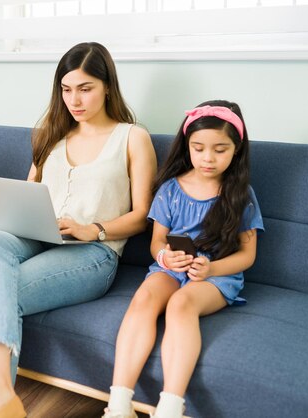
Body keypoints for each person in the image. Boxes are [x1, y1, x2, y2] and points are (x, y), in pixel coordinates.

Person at [0, 42, 157, 418]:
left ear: (107, 86)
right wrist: (10, 216)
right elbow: (26, 194)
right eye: (66, 89)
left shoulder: (132, 137)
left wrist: (94, 229)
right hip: (36, 236)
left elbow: (142, 216)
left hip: (92, 253)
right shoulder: (49, 134)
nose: (75, 99)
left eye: (85, 88)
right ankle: (0, 397)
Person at [103, 100, 264, 418]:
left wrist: (212, 268)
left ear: (236, 149)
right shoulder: (170, 190)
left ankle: (170, 407)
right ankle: (119, 404)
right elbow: (156, 243)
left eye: (220, 149)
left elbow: (247, 255)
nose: (208, 157)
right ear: (187, 145)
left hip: (216, 274)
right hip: (171, 266)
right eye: (199, 147)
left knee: (180, 305)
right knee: (145, 296)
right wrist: (165, 256)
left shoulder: (240, 195)